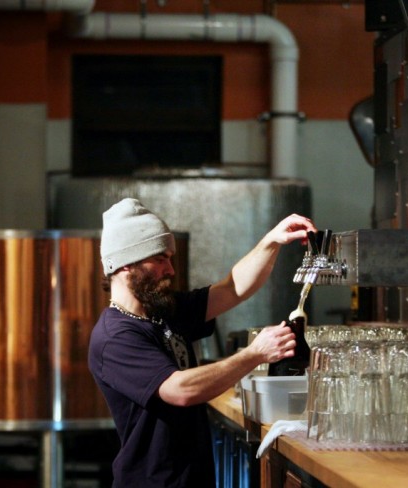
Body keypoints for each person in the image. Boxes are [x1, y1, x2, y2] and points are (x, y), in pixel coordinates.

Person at [88, 197, 316, 487]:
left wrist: (272, 241)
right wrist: (255, 354)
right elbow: (180, 389)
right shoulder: (115, 337)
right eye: (159, 259)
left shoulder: (161, 309)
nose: (170, 270)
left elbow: (232, 290)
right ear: (124, 265)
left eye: (169, 258)